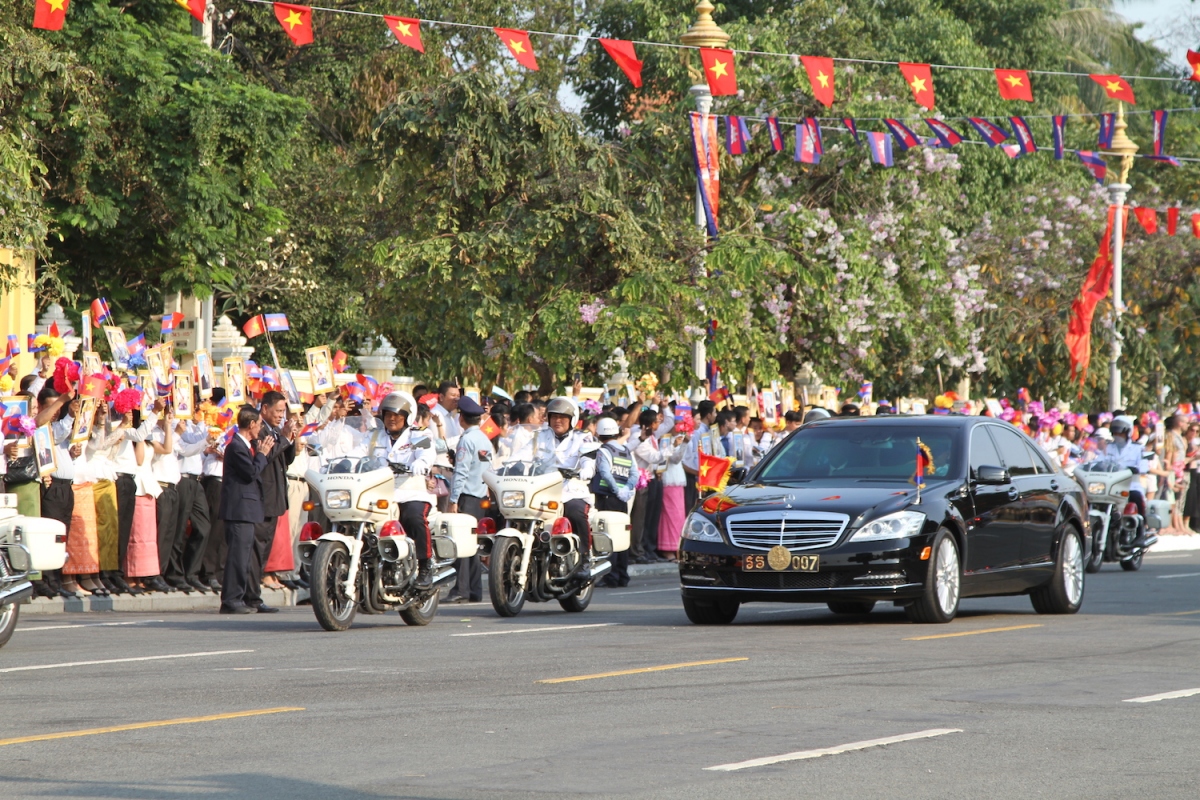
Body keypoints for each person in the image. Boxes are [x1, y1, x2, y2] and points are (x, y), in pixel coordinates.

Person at [219, 405, 276, 614]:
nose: (261, 429)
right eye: (259, 424)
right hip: (238, 510)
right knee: (237, 557)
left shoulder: (247, 445)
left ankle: (245, 597)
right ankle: (231, 600)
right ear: (251, 424)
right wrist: (261, 454)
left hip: (247, 510)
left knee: (246, 557)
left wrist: (262, 452)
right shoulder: (235, 446)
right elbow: (251, 472)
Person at [249, 391, 296, 612]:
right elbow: (264, 457)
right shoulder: (260, 429)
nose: (280, 415)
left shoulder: (275, 430)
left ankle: (253, 594)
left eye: (282, 411)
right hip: (262, 497)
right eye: (277, 411)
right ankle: (252, 595)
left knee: (263, 549)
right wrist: (284, 440)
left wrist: (289, 438)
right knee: (256, 550)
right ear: (264, 408)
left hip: (275, 497)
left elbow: (285, 460)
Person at [446, 396, 491, 603]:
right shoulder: (484, 439)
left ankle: (461, 589)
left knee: (461, 544)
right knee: (472, 544)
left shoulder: (466, 440)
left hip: (467, 496)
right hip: (480, 496)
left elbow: (461, 472)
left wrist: (453, 499)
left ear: (462, 418)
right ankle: (474, 590)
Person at [386, 407, 438, 588]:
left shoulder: (416, 435)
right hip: (380, 493)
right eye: (388, 415)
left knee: (413, 517)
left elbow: (427, 452)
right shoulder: (374, 436)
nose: (391, 419)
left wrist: (422, 462)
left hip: (410, 491)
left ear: (406, 417)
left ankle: (425, 566)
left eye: (396, 415)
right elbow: (357, 454)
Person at [545, 397, 596, 573]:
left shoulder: (582, 438)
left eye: (563, 417)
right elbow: (519, 455)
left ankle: (584, 558)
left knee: (575, 511)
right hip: (542, 490)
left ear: (572, 420)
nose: (557, 420)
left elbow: (588, 460)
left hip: (570, 489)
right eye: (554, 416)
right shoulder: (539, 437)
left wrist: (585, 470)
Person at [591, 417, 639, 587]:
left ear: (600, 434)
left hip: (607, 497)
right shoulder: (625, 450)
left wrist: (616, 490)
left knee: (607, 537)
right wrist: (625, 490)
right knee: (622, 535)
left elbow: (605, 473)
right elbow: (635, 474)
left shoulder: (603, 451)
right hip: (622, 500)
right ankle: (622, 575)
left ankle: (610, 576)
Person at [1106, 416, 1151, 548]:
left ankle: (1141, 532)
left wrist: (1136, 469)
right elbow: (1097, 460)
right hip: (1110, 485)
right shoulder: (1108, 447)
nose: (1117, 436)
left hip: (1130, 484)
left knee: (1136, 496)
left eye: (1120, 433)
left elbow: (1143, 467)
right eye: (1115, 433)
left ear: (1128, 432)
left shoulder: (1138, 449)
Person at [629, 408, 664, 564]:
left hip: (648, 477)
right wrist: (673, 448)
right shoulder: (639, 436)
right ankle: (635, 551)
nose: (659, 424)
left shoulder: (650, 436)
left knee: (646, 518)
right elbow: (654, 456)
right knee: (638, 519)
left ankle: (642, 549)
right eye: (657, 421)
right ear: (651, 423)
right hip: (639, 480)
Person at [657, 419, 689, 559]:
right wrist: (681, 444)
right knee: (670, 515)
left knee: (679, 516)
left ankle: (676, 547)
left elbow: (679, 459)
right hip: (668, 479)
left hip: (678, 480)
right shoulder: (665, 440)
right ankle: (667, 548)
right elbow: (674, 459)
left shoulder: (676, 439)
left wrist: (684, 443)